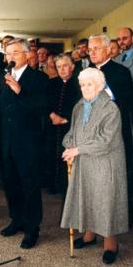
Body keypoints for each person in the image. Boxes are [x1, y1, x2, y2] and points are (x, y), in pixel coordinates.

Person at [61, 68, 128, 265]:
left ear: (99, 85)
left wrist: (78, 149)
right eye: (82, 84)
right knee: (88, 197)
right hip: (85, 160)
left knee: (106, 202)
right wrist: (69, 144)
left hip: (105, 163)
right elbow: (72, 132)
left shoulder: (110, 109)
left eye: (89, 84)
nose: (85, 88)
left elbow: (105, 141)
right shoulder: (79, 107)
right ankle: (90, 235)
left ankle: (110, 244)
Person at [0, 38, 48, 249]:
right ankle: (17, 220)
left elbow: (41, 107)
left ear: (26, 55)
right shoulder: (0, 79)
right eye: (8, 54)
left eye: (15, 53)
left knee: (29, 185)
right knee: (11, 183)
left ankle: (32, 228)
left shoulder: (38, 78)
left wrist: (20, 91)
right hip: (6, 142)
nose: (10, 58)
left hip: (29, 142)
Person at [88, 34, 133, 226]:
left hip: (113, 135)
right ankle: (91, 227)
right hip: (90, 135)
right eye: (90, 49)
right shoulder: (86, 72)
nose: (92, 52)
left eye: (96, 48)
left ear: (108, 50)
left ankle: (114, 229)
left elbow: (125, 104)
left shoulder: (121, 72)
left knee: (112, 183)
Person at [45, 54, 80, 194]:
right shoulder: (52, 83)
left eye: (65, 66)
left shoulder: (78, 84)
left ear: (72, 67)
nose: (62, 69)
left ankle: (67, 187)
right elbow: (45, 102)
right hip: (52, 126)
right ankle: (53, 185)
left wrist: (65, 120)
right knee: (52, 154)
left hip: (70, 127)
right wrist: (52, 115)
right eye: (58, 67)